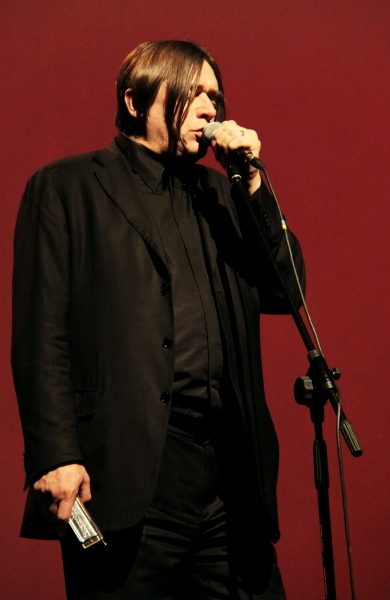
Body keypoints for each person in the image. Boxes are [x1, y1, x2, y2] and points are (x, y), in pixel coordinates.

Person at [12, 40, 305, 599]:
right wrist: (55, 455)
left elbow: (286, 290)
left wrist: (253, 185)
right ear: (134, 100)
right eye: (193, 92)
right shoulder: (67, 188)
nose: (210, 107)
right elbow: (40, 337)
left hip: (227, 477)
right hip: (128, 474)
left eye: (215, 95)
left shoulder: (222, 194)